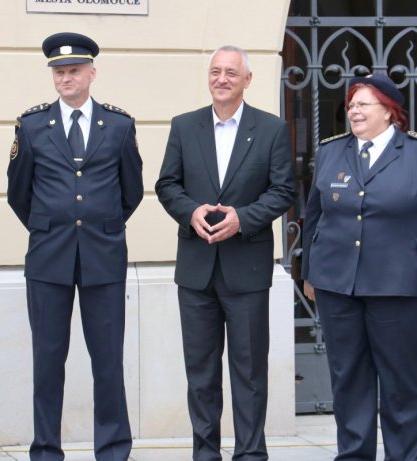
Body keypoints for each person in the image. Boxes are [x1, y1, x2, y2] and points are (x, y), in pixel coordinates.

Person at [301, 73, 417, 460]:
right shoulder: (331, 152)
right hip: (339, 286)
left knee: (400, 382)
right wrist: (310, 273)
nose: (353, 111)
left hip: (398, 286)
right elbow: (314, 216)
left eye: (363, 104)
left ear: (389, 112)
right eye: (351, 105)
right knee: (348, 381)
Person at [7, 32, 143, 461]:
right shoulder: (31, 126)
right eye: (59, 72)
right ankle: (46, 450)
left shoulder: (119, 125)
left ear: (91, 74)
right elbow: (18, 194)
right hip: (49, 259)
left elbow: (132, 191)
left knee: (108, 363)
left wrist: (99, 227)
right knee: (48, 363)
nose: (66, 78)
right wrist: (51, 227)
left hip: (103, 258)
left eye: (73, 71)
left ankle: (114, 450)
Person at [155, 45, 296, 461]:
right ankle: (205, 453)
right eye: (215, 71)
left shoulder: (270, 129)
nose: (221, 79)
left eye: (231, 73)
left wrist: (244, 218)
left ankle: (251, 454)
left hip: (246, 268)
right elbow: (167, 185)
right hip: (196, 271)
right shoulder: (184, 126)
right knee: (200, 373)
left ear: (247, 80)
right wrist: (190, 210)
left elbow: (284, 190)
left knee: (250, 373)